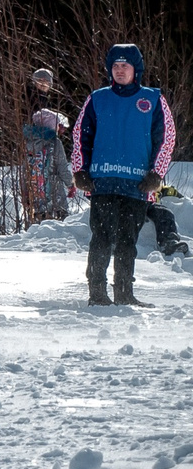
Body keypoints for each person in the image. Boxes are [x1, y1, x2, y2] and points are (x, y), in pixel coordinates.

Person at [71, 43, 176, 308]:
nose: (120, 71)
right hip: (103, 181)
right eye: (115, 66)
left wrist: (157, 173)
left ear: (135, 70)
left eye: (125, 66)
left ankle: (125, 292)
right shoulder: (97, 98)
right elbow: (80, 135)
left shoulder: (153, 99)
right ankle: (97, 292)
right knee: (102, 237)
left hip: (137, 183)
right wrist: (79, 169)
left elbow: (166, 138)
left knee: (128, 240)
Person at [18, 67, 71, 229]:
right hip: (53, 191)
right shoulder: (31, 97)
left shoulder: (43, 99)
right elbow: (62, 166)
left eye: (47, 82)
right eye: (40, 81)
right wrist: (71, 183)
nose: (43, 84)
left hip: (36, 189)